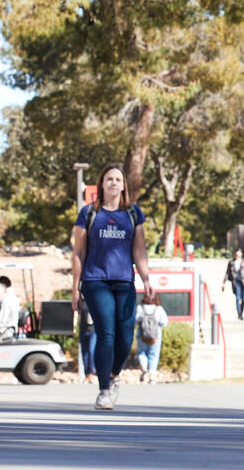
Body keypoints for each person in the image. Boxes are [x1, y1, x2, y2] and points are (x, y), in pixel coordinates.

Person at [71, 163, 153, 411]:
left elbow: (139, 250)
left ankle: (114, 374)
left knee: (126, 337)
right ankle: (104, 390)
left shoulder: (133, 214)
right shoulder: (88, 214)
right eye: (109, 179)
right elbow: (78, 252)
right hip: (96, 281)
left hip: (125, 281)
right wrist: (75, 287)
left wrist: (147, 279)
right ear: (102, 184)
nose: (114, 183)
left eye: (118, 179)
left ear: (124, 185)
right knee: (106, 332)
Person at [134, 291, 169, 383]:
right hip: (155, 335)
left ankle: (144, 367)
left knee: (142, 352)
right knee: (154, 354)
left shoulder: (140, 307)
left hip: (142, 334)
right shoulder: (159, 309)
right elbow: (164, 322)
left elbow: (136, 320)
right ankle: (152, 375)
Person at [221, 248, 244, 321]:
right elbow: (227, 273)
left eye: (238, 254)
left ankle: (241, 312)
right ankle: (239, 314)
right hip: (236, 282)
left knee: (243, 299)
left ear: (241, 254)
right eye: (236, 254)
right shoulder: (231, 262)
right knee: (238, 298)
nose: (237, 256)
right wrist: (223, 283)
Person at [79, 299, 97, 383]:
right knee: (84, 352)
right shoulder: (82, 302)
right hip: (83, 329)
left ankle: (91, 373)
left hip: (93, 330)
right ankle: (87, 374)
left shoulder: (96, 301)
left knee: (91, 350)